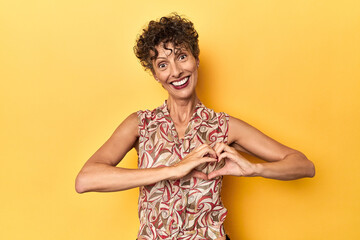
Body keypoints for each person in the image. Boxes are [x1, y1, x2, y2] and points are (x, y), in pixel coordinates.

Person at [75, 13, 315, 240]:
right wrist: (173, 170)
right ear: (155, 75)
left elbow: (304, 165)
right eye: (162, 64)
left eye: (181, 56)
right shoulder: (140, 125)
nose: (176, 71)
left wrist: (254, 169)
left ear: (196, 59)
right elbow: (86, 180)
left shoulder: (224, 126)